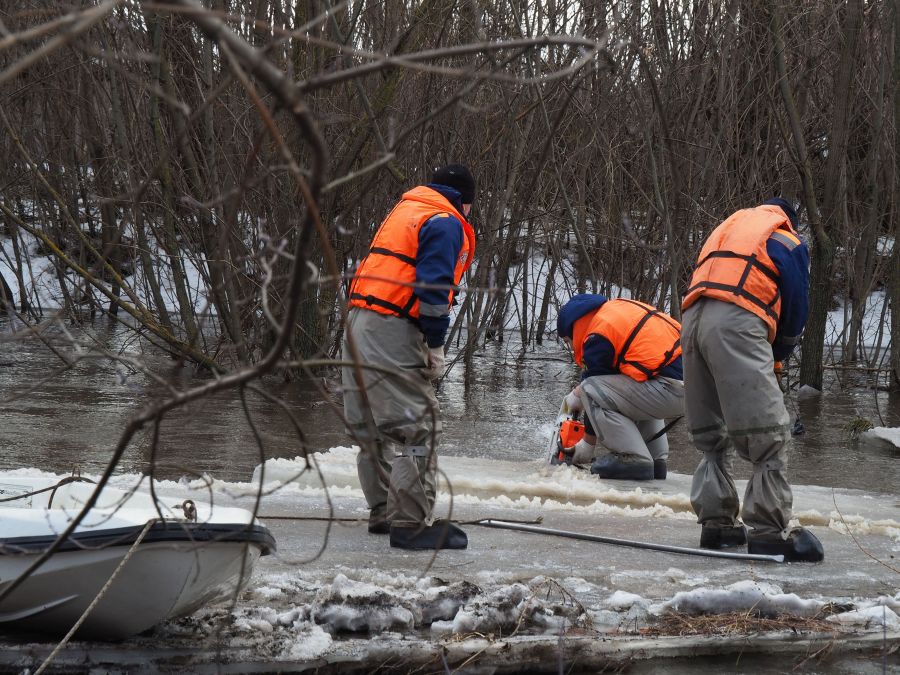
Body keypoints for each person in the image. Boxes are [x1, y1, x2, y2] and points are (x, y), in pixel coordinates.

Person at [681, 198, 823, 562]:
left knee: (712, 435)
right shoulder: (785, 239)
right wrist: (780, 351)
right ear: (789, 220)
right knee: (769, 438)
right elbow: (794, 303)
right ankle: (768, 532)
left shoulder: (726, 230)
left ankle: (717, 526)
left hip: (692, 321)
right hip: (739, 321)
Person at [341, 165, 476, 550]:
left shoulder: (405, 211)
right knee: (417, 426)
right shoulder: (445, 221)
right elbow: (433, 289)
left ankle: (384, 510)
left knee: (371, 426)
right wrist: (435, 344)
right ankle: (412, 522)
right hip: (391, 327)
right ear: (465, 201)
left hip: (357, 323)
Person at [556, 294, 685, 481]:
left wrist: (586, 445)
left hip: (669, 388)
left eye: (568, 341)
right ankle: (656, 461)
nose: (571, 346)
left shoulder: (597, 335)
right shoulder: (617, 313)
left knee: (589, 388)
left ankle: (635, 459)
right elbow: (619, 386)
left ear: (575, 326)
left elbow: (593, 386)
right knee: (631, 383)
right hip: (692, 387)